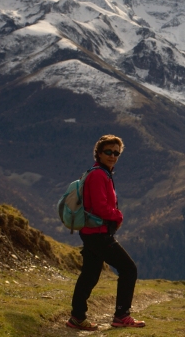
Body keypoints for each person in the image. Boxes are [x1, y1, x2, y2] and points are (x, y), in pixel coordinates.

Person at [66, 135, 145, 330]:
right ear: (99, 153)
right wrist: (117, 216)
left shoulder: (102, 173)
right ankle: (121, 315)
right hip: (98, 233)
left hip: (92, 231)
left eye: (116, 152)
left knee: (90, 274)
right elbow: (101, 207)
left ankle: (77, 317)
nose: (112, 156)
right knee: (129, 269)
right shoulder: (99, 175)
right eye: (108, 152)